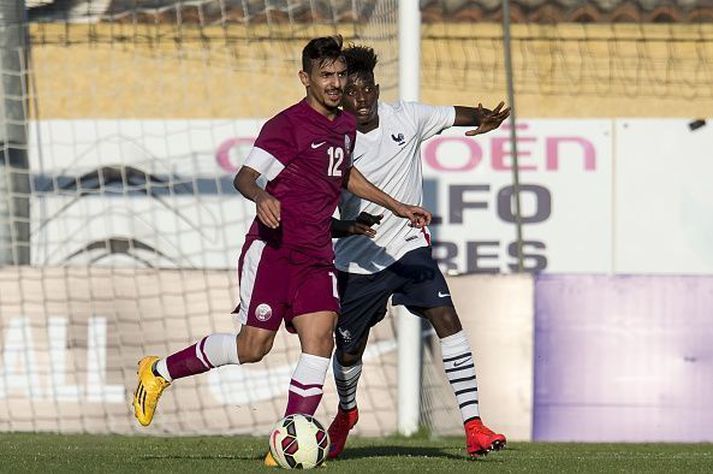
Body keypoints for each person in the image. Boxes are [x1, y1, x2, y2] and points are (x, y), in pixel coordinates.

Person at [131, 36, 432, 466]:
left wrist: (398, 206)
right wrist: (261, 197)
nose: (335, 83)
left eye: (340, 74)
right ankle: (157, 371)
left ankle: (288, 442)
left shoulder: (345, 125)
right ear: (304, 78)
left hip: (317, 256)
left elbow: (345, 174)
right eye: (326, 75)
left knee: (319, 341)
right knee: (252, 348)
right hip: (273, 253)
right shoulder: (286, 126)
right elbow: (245, 177)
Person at [327, 44, 511, 458]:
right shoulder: (335, 135)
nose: (359, 100)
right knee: (348, 350)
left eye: (365, 91)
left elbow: (453, 115)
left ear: (375, 89)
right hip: (357, 258)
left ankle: (473, 425)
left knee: (446, 317)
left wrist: (484, 119)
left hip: (408, 246)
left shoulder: (406, 116)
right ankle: (346, 412)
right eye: (350, 92)